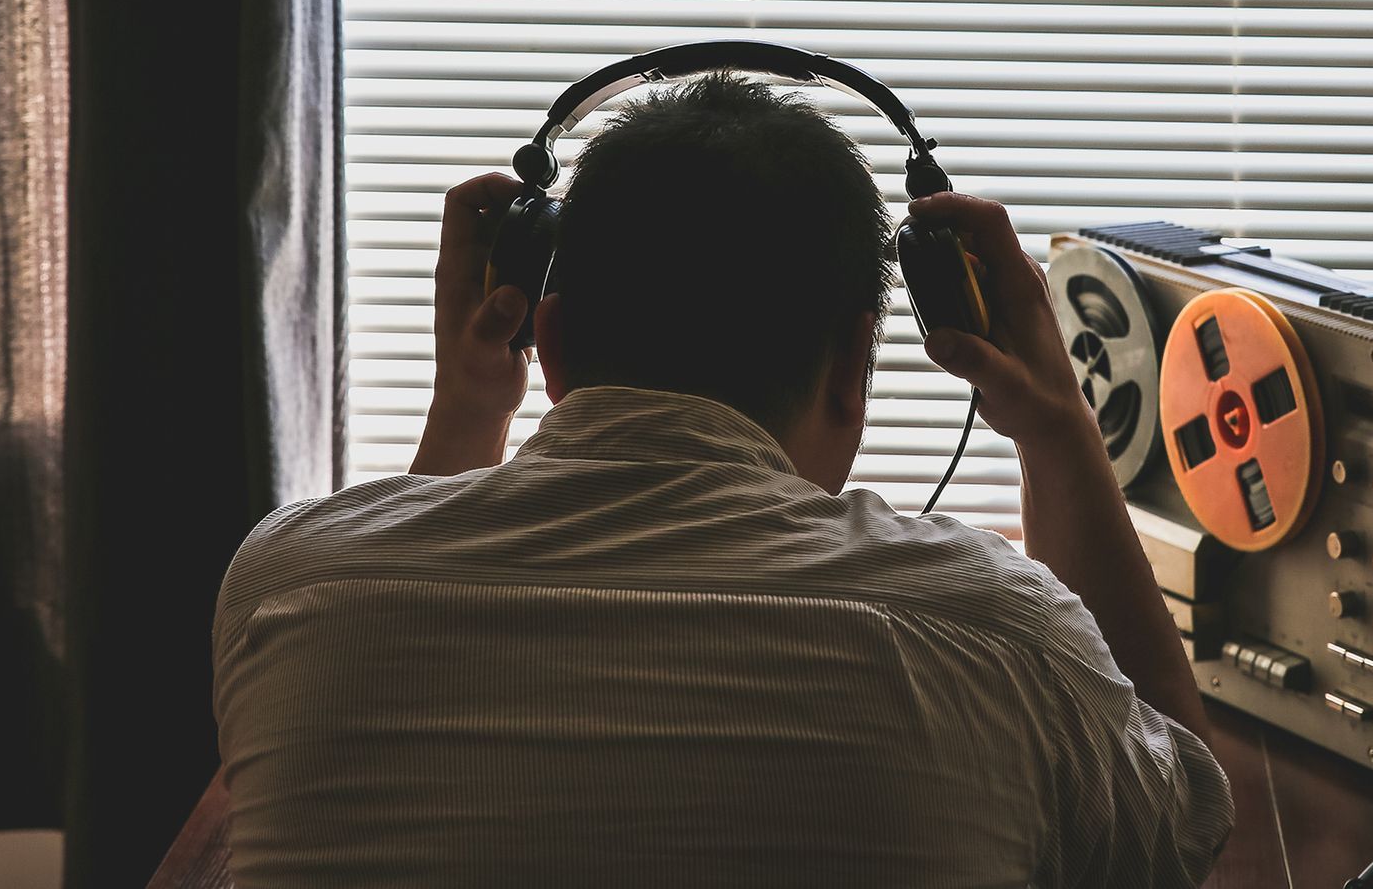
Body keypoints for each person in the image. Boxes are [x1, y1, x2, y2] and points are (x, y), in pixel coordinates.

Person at [212, 73, 1234, 887]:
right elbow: (1182, 829)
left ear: (551, 345)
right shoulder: (996, 633)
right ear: (853, 365)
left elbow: (404, 567)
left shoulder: (289, 589)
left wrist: (469, 410)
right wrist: (1058, 432)